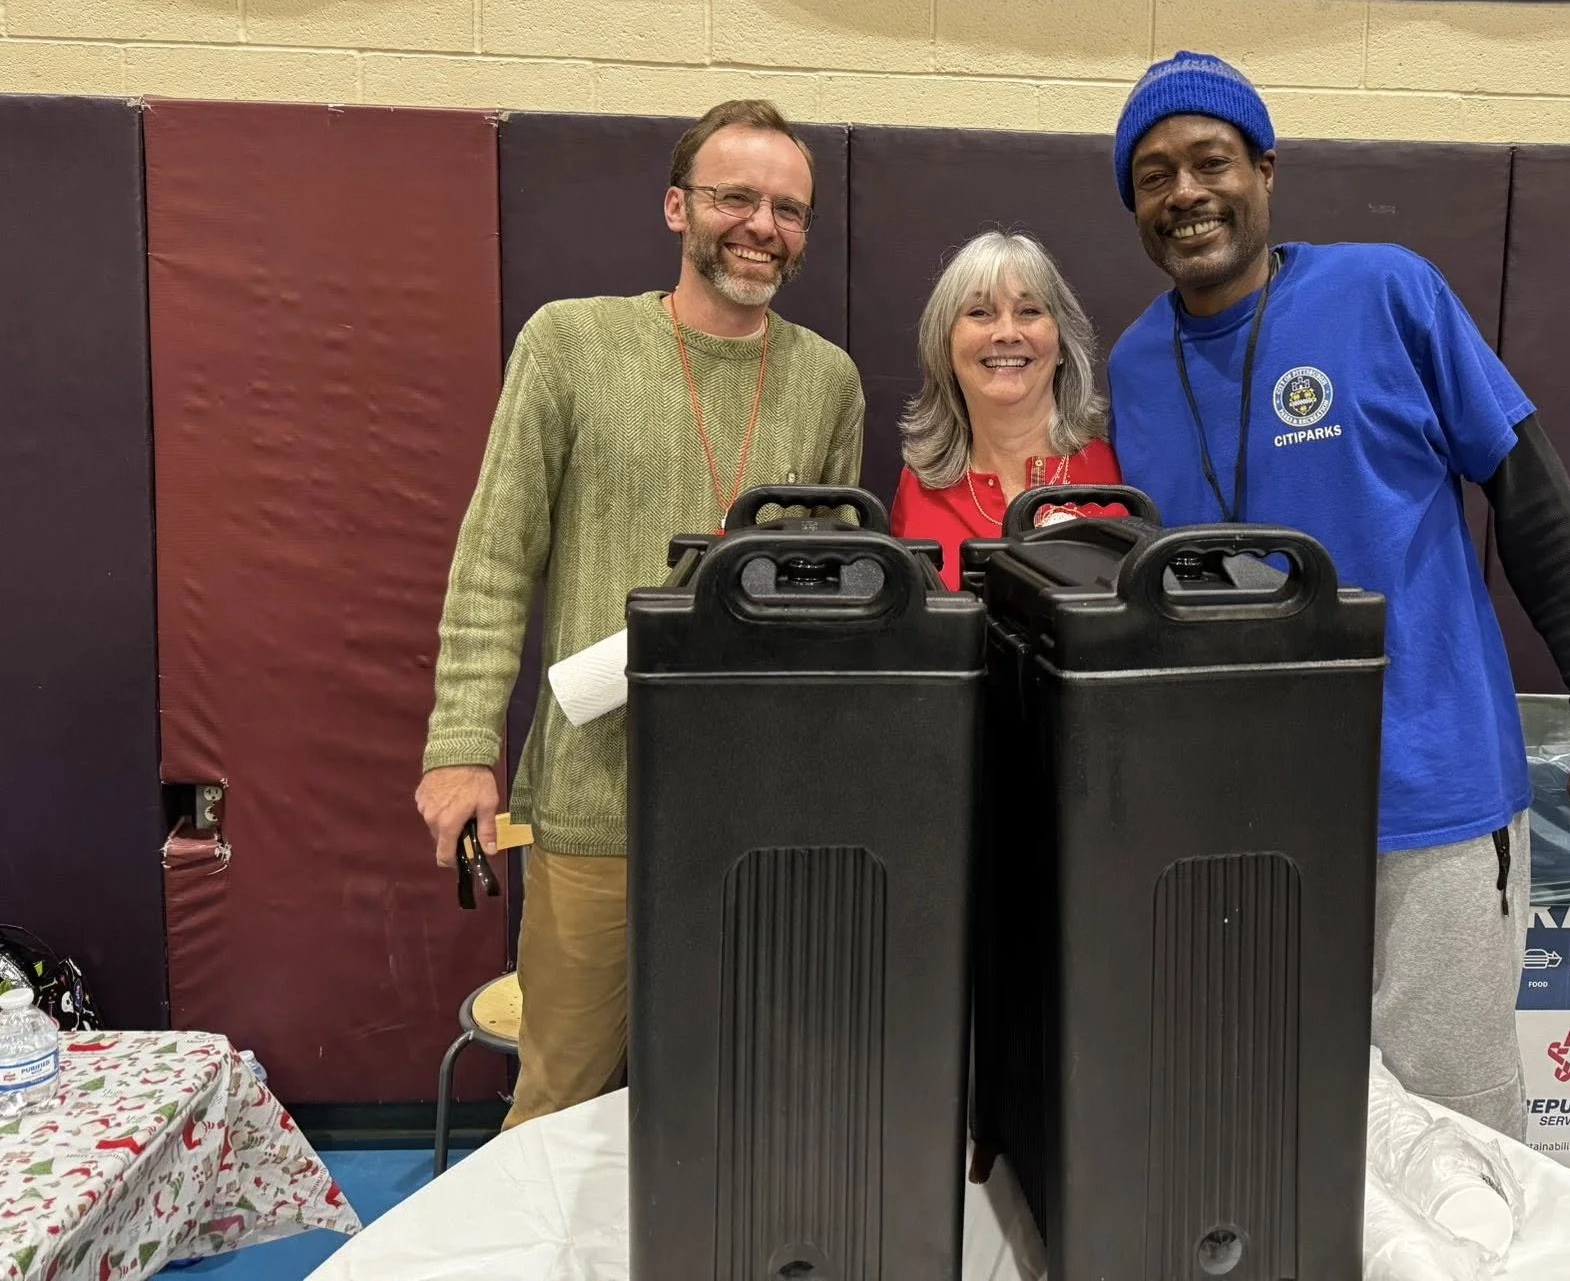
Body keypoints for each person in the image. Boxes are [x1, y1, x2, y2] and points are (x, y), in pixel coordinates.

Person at [1103, 51, 1570, 1139]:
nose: (1184, 194)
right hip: (1245, 819)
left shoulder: (1385, 292)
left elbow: (1532, 502)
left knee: (1455, 1131)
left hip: (1428, 801)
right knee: (1275, 1130)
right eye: (1153, 174)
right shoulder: (1130, 365)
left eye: (1209, 160)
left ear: (1264, 169)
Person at [416, 99, 865, 1129]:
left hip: (760, 812)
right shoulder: (570, 344)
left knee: (741, 1099)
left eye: (787, 209)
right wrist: (458, 745)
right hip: (593, 806)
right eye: (734, 197)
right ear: (677, 207)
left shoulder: (828, 382)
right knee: (560, 1100)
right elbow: (494, 554)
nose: (761, 225)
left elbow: (834, 594)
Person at [891, 231, 1122, 588]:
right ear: (946, 346)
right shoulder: (918, 485)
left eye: (1029, 311)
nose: (1006, 333)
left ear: (1061, 344)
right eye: (980, 312)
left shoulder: (1116, 468)